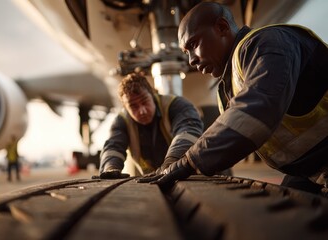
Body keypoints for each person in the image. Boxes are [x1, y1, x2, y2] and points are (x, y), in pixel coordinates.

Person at [138, 2, 328, 195]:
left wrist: (189, 162)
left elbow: (257, 109)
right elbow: (220, 131)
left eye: (193, 44)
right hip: (310, 170)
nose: (191, 61)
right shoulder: (229, 86)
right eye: (187, 53)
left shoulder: (270, 43)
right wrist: (173, 162)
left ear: (222, 27)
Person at [99, 73, 204, 179]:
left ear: (153, 95)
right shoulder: (122, 121)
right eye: (133, 106)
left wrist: (170, 164)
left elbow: (188, 132)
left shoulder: (177, 105)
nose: (142, 111)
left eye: (144, 101)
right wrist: (110, 168)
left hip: (189, 176)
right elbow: (114, 146)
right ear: (125, 107)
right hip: (152, 180)